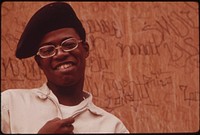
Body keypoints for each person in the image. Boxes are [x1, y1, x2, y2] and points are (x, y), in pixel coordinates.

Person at [1, 2, 129, 134]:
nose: (60, 54)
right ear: (39, 62)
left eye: (68, 44)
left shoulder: (112, 127)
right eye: (48, 50)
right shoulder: (9, 105)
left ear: (85, 50)